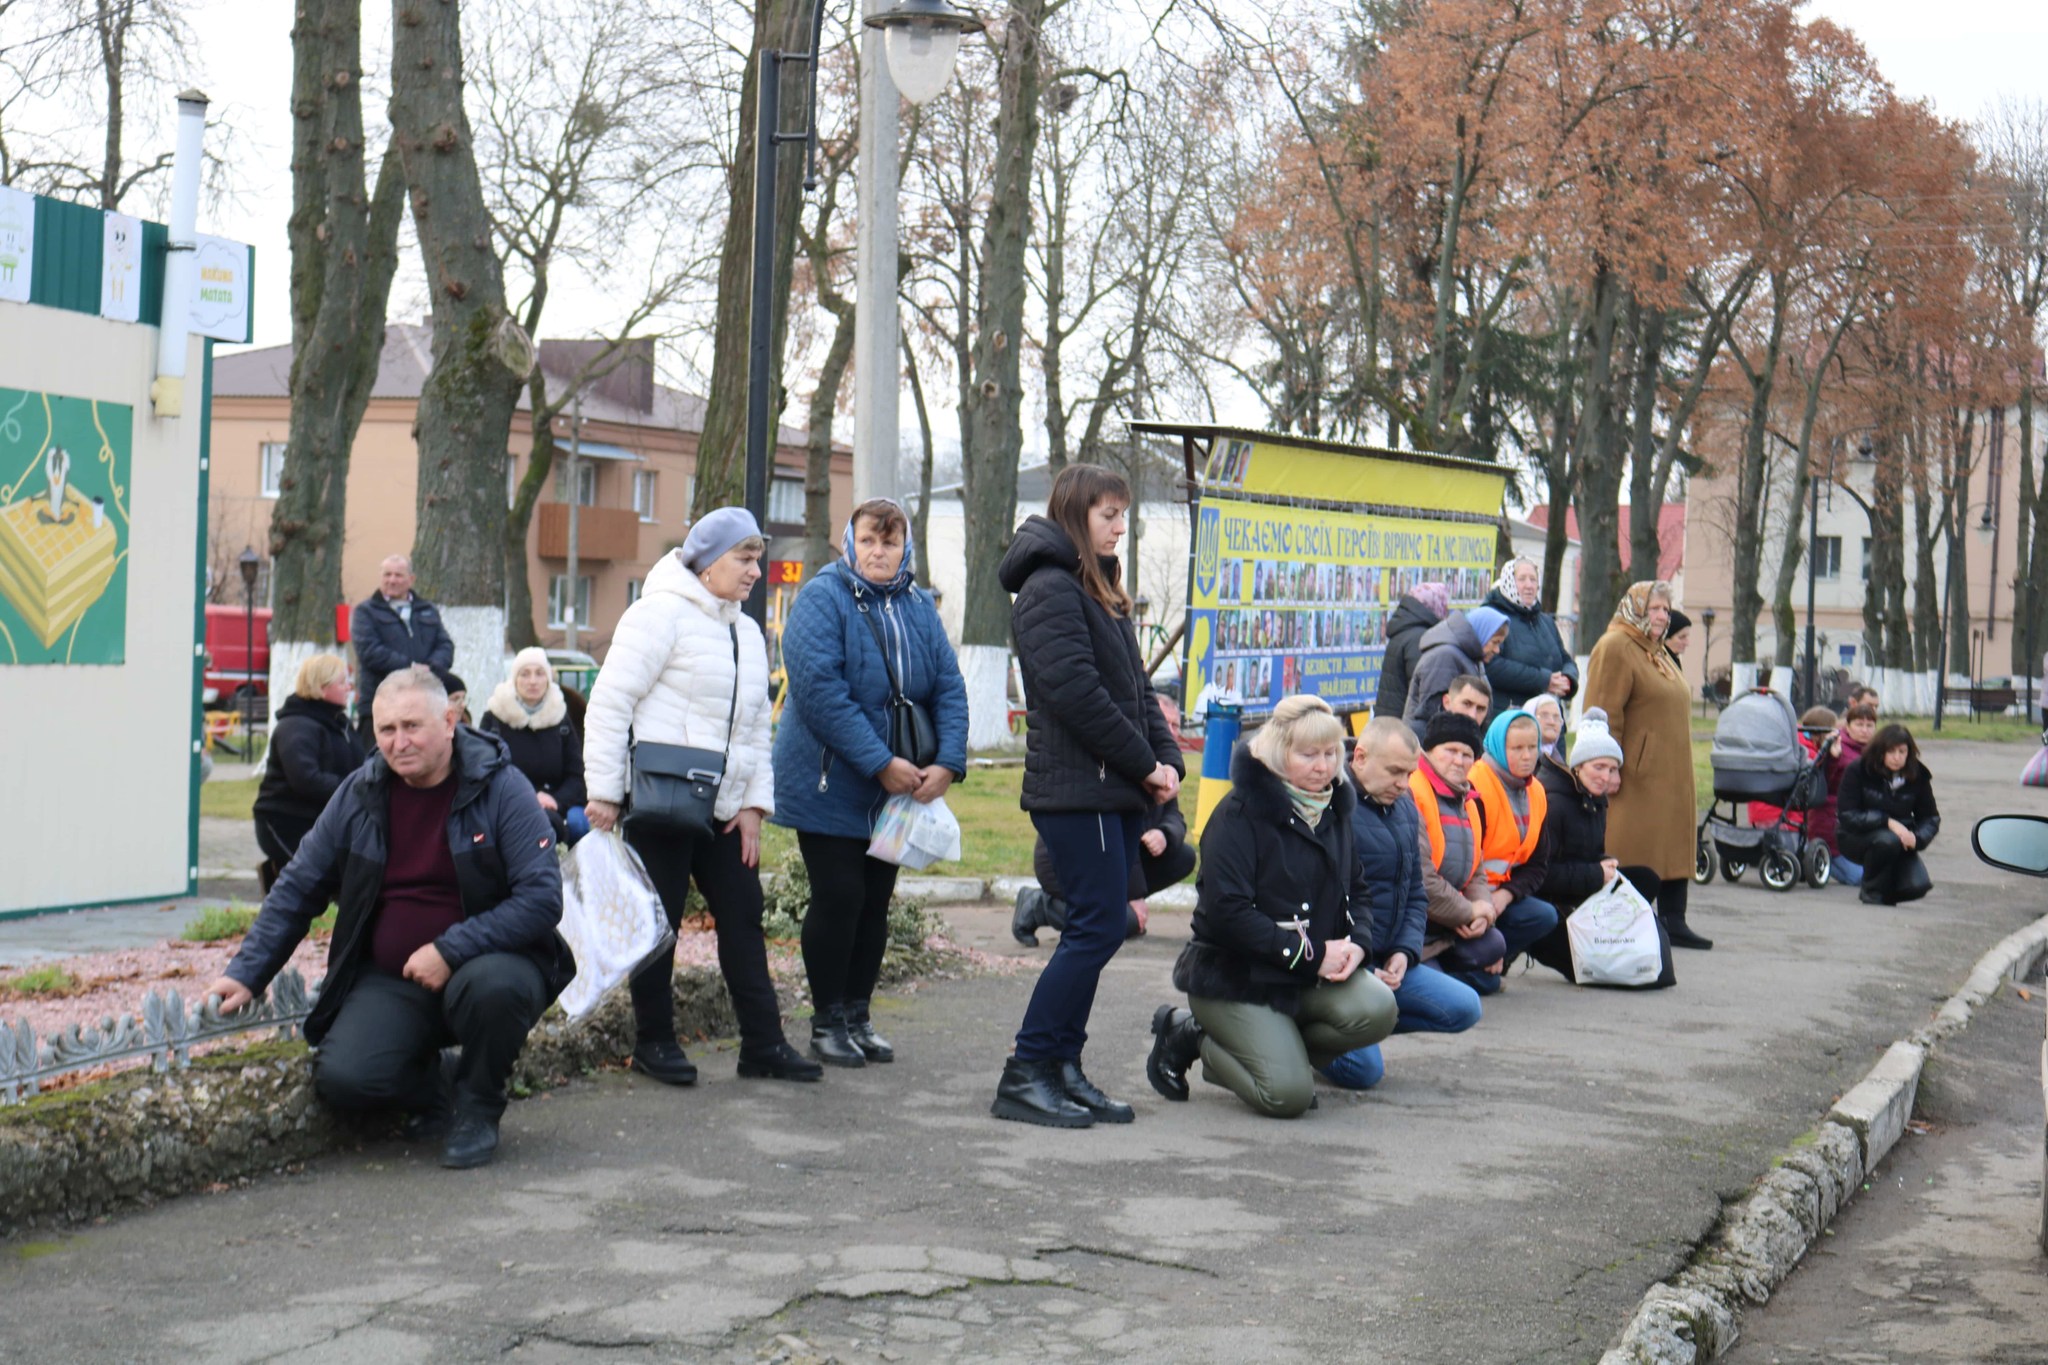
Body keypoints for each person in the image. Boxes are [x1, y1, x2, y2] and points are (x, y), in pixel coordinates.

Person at [205, 667, 574, 1169]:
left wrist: (450, 949)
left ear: (449, 720)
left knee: (495, 989)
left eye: (411, 726)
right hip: (392, 977)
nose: (398, 743)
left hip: (489, 963)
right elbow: (298, 884)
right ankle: (438, 1088)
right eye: (385, 730)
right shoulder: (360, 792)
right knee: (346, 1077)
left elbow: (540, 898)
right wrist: (247, 972)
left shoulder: (503, 788)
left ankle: (478, 1109)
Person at [583, 507, 822, 1086]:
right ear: (708, 560)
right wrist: (606, 794)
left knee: (742, 915)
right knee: (657, 923)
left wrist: (752, 808)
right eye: (744, 559)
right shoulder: (657, 614)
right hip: (661, 802)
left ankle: (762, 1045)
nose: (754, 572)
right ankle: (654, 1043)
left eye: (756, 560)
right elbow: (610, 704)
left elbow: (753, 727)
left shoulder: (744, 628)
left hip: (722, 808)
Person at [994, 463, 1184, 1128]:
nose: (1120, 525)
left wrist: (1163, 759)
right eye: (1108, 514)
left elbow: (1135, 693)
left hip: (1108, 789)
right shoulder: (1049, 588)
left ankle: (1061, 1066)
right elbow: (1079, 697)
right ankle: (1027, 1069)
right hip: (1077, 791)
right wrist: (1144, 766)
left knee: (1096, 926)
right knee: (1096, 926)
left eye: (1123, 514)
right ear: (1076, 515)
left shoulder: (1096, 586)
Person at [772, 498, 968, 1068]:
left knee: (876, 902)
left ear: (905, 546)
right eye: (869, 540)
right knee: (840, 896)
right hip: (830, 781)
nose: (879, 551)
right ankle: (826, 1021)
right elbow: (820, 693)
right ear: (848, 542)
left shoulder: (917, 604)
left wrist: (949, 762)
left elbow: (949, 687)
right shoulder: (821, 598)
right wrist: (880, 760)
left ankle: (857, 1015)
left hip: (898, 785)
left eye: (890, 541)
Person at [1144, 696, 1398, 1117]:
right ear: (1279, 754)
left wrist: (1358, 943)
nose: (1323, 765)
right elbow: (1227, 914)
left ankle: (1277, 1052)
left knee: (1378, 1009)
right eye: (1308, 754)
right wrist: (1311, 956)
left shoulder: (1335, 807)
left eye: (1331, 753)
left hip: (1302, 974)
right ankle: (1192, 1036)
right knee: (1288, 1097)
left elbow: (1358, 891)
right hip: (1235, 978)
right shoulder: (1237, 815)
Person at [1318, 718, 1483, 1091]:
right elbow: (1323, 901)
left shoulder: (1405, 807)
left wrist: (1406, 953)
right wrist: (1359, 960)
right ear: (1359, 757)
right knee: (1362, 1072)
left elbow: (1414, 892)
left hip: (1391, 958)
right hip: (1343, 964)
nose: (1404, 784)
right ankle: (1309, 1036)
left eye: (1410, 773)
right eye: (1394, 772)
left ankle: (1365, 1024)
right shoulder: (1330, 806)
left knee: (1464, 1007)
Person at [1581, 581, 1711, 950]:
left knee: (1672, 843)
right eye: (1654, 608)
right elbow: (1603, 711)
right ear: (1635, 607)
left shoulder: (1657, 652)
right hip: (1635, 774)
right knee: (1636, 844)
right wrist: (1606, 765)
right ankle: (1620, 921)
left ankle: (1674, 919)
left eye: (1666, 611)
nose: (1661, 616)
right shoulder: (1616, 646)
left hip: (1671, 773)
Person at [1013, 695, 1195, 946]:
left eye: (1176, 726)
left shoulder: (1162, 766)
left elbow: (1175, 816)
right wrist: (1134, 896)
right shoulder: (1127, 761)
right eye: (1166, 725)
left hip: (1119, 856)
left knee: (1183, 857)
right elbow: (1123, 828)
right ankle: (1038, 906)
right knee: (1120, 923)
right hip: (1070, 857)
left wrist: (1164, 833)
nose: (1172, 733)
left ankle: (1111, 903)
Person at [1525, 709, 1675, 988]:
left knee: (1647, 879)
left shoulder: (1596, 800)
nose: (1605, 777)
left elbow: (1587, 854)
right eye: (1598, 767)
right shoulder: (1554, 804)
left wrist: (1604, 865)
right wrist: (1595, 874)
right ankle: (1535, 942)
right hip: (1551, 903)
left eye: (1612, 768)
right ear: (1578, 766)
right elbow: (1540, 876)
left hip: (1580, 890)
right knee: (1608, 970)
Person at [1407, 712, 1509, 985]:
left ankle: (1442, 970)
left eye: (1467, 754)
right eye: (1450, 750)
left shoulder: (1468, 799)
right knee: (1458, 998)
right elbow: (1421, 879)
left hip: (1449, 919)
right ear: (1429, 751)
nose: (1458, 760)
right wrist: (1468, 911)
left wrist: (1484, 913)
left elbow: (1476, 869)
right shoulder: (1413, 791)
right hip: (1418, 920)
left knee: (1494, 943)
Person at [252, 652, 363, 893]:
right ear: (322, 688)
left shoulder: (341, 723)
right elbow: (305, 779)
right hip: (285, 821)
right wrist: (354, 788)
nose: (349, 687)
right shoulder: (296, 726)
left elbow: (360, 765)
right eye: (342, 681)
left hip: (325, 820)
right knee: (312, 880)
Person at [1466, 709, 1562, 979]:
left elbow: (1538, 864)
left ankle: (1495, 961)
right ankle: (1478, 960)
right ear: (1498, 746)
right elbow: (1461, 862)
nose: (1527, 755)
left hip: (1500, 896)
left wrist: (1505, 895)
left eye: (1533, 747)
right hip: (1466, 897)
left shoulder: (1537, 792)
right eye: (1517, 748)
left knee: (1544, 915)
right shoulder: (1475, 786)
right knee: (1483, 987)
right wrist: (1484, 903)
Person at [479, 647, 587, 847]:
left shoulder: (561, 717)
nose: (532, 681)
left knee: (579, 824)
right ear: (514, 679)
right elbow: (484, 770)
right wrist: (528, 797)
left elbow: (577, 773)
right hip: (509, 801)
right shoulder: (495, 717)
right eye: (525, 674)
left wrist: (556, 800)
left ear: (548, 679)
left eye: (539, 674)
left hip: (556, 801)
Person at [350, 555, 454, 746]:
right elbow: (370, 651)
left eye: (398, 575)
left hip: (424, 704)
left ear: (411, 579)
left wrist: (430, 669)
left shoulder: (428, 609)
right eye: (387, 574)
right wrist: (411, 668)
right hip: (379, 705)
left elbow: (445, 646)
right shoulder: (366, 612)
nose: (392, 580)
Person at [1837, 723, 1940, 906]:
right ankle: (1871, 891)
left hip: (1900, 840)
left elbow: (1930, 817)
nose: (1897, 757)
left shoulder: (1918, 775)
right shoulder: (1858, 770)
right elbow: (1847, 815)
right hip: (1854, 836)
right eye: (1891, 751)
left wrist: (1917, 838)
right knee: (1887, 841)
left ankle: (1885, 890)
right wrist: (1887, 822)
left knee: (1918, 886)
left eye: (1902, 751)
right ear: (1880, 751)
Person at [1482, 556, 1577, 712]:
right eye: (1522, 579)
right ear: (1509, 582)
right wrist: (1544, 680)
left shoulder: (1545, 622)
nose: (1529, 586)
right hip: (1512, 714)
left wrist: (1567, 679)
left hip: (1550, 716)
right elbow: (1493, 667)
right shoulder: (1494, 618)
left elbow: (1565, 659)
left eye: (1533, 579)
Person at [1404, 605, 1511, 739]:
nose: (1497, 650)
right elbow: (1434, 716)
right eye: (1494, 642)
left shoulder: (1472, 656)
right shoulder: (1445, 656)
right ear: (1482, 633)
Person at [1373, 581, 1450, 719]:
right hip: (1403, 724)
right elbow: (1421, 686)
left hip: (1390, 718)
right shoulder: (1420, 638)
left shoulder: (1404, 630)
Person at [1824, 702, 1878, 885]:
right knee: (1862, 878)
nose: (1864, 730)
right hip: (1832, 823)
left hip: (1862, 826)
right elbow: (1824, 783)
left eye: (1869, 725)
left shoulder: (1876, 751)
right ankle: (1815, 858)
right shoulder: (1837, 747)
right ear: (1848, 726)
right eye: (1859, 724)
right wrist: (1832, 758)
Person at [1525, 692, 1567, 765]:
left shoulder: (1560, 763)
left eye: (1556, 717)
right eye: (1544, 715)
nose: (1551, 722)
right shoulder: (1521, 761)